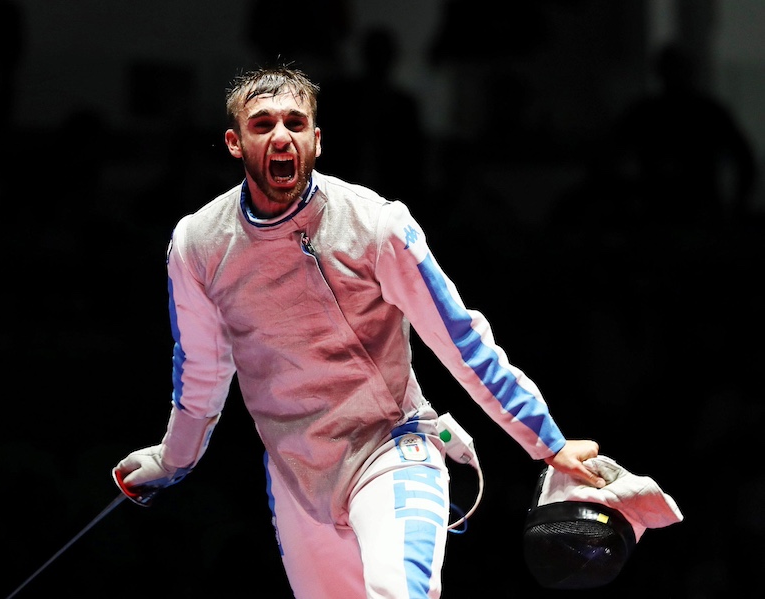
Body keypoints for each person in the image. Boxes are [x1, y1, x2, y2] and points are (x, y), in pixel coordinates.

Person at [112, 66, 606, 599]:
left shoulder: (376, 225)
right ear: (236, 143)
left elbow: (463, 341)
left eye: (295, 123)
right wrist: (172, 458)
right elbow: (201, 372)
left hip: (391, 450)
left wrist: (548, 442)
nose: (281, 136)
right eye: (263, 124)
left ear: (315, 141)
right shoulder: (198, 244)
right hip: (296, 476)